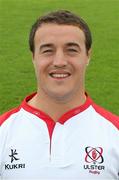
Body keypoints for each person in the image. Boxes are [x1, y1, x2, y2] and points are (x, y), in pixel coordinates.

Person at [0, 10, 119, 180]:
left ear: (88, 56)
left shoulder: (115, 133)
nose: (59, 62)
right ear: (34, 57)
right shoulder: (3, 131)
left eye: (71, 50)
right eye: (48, 50)